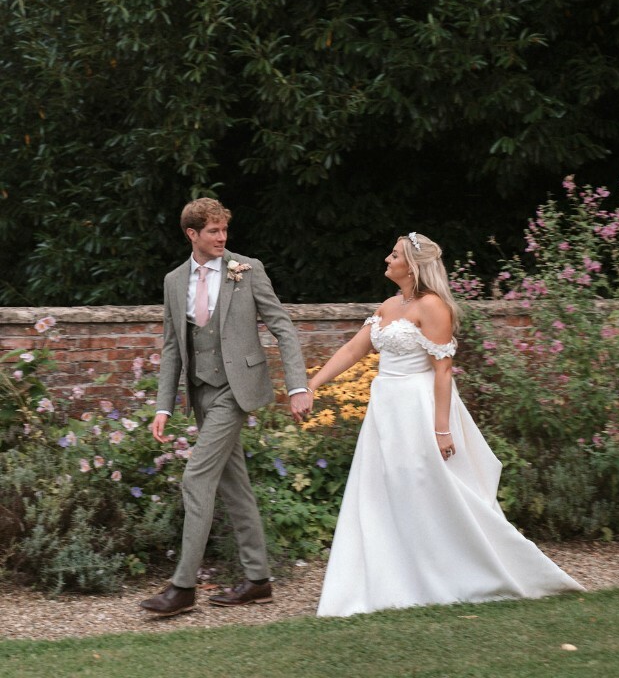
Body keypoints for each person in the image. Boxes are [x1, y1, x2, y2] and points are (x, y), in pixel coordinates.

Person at [308, 232, 584, 617]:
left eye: (394, 255)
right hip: (386, 408)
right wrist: (312, 385)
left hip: (419, 408)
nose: (386, 259)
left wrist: (441, 429)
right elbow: (355, 348)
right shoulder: (389, 305)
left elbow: (443, 371)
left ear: (413, 266)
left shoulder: (434, 307)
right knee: (384, 489)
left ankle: (458, 571)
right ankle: (390, 576)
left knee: (432, 490)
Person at [140, 198, 312, 617]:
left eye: (224, 230)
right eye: (213, 231)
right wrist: (163, 406)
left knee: (195, 480)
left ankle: (182, 587)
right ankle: (258, 580)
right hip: (201, 393)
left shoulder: (247, 269)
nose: (222, 238)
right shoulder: (173, 280)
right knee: (235, 486)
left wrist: (297, 386)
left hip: (236, 390)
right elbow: (170, 348)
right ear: (192, 234)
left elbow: (282, 327)